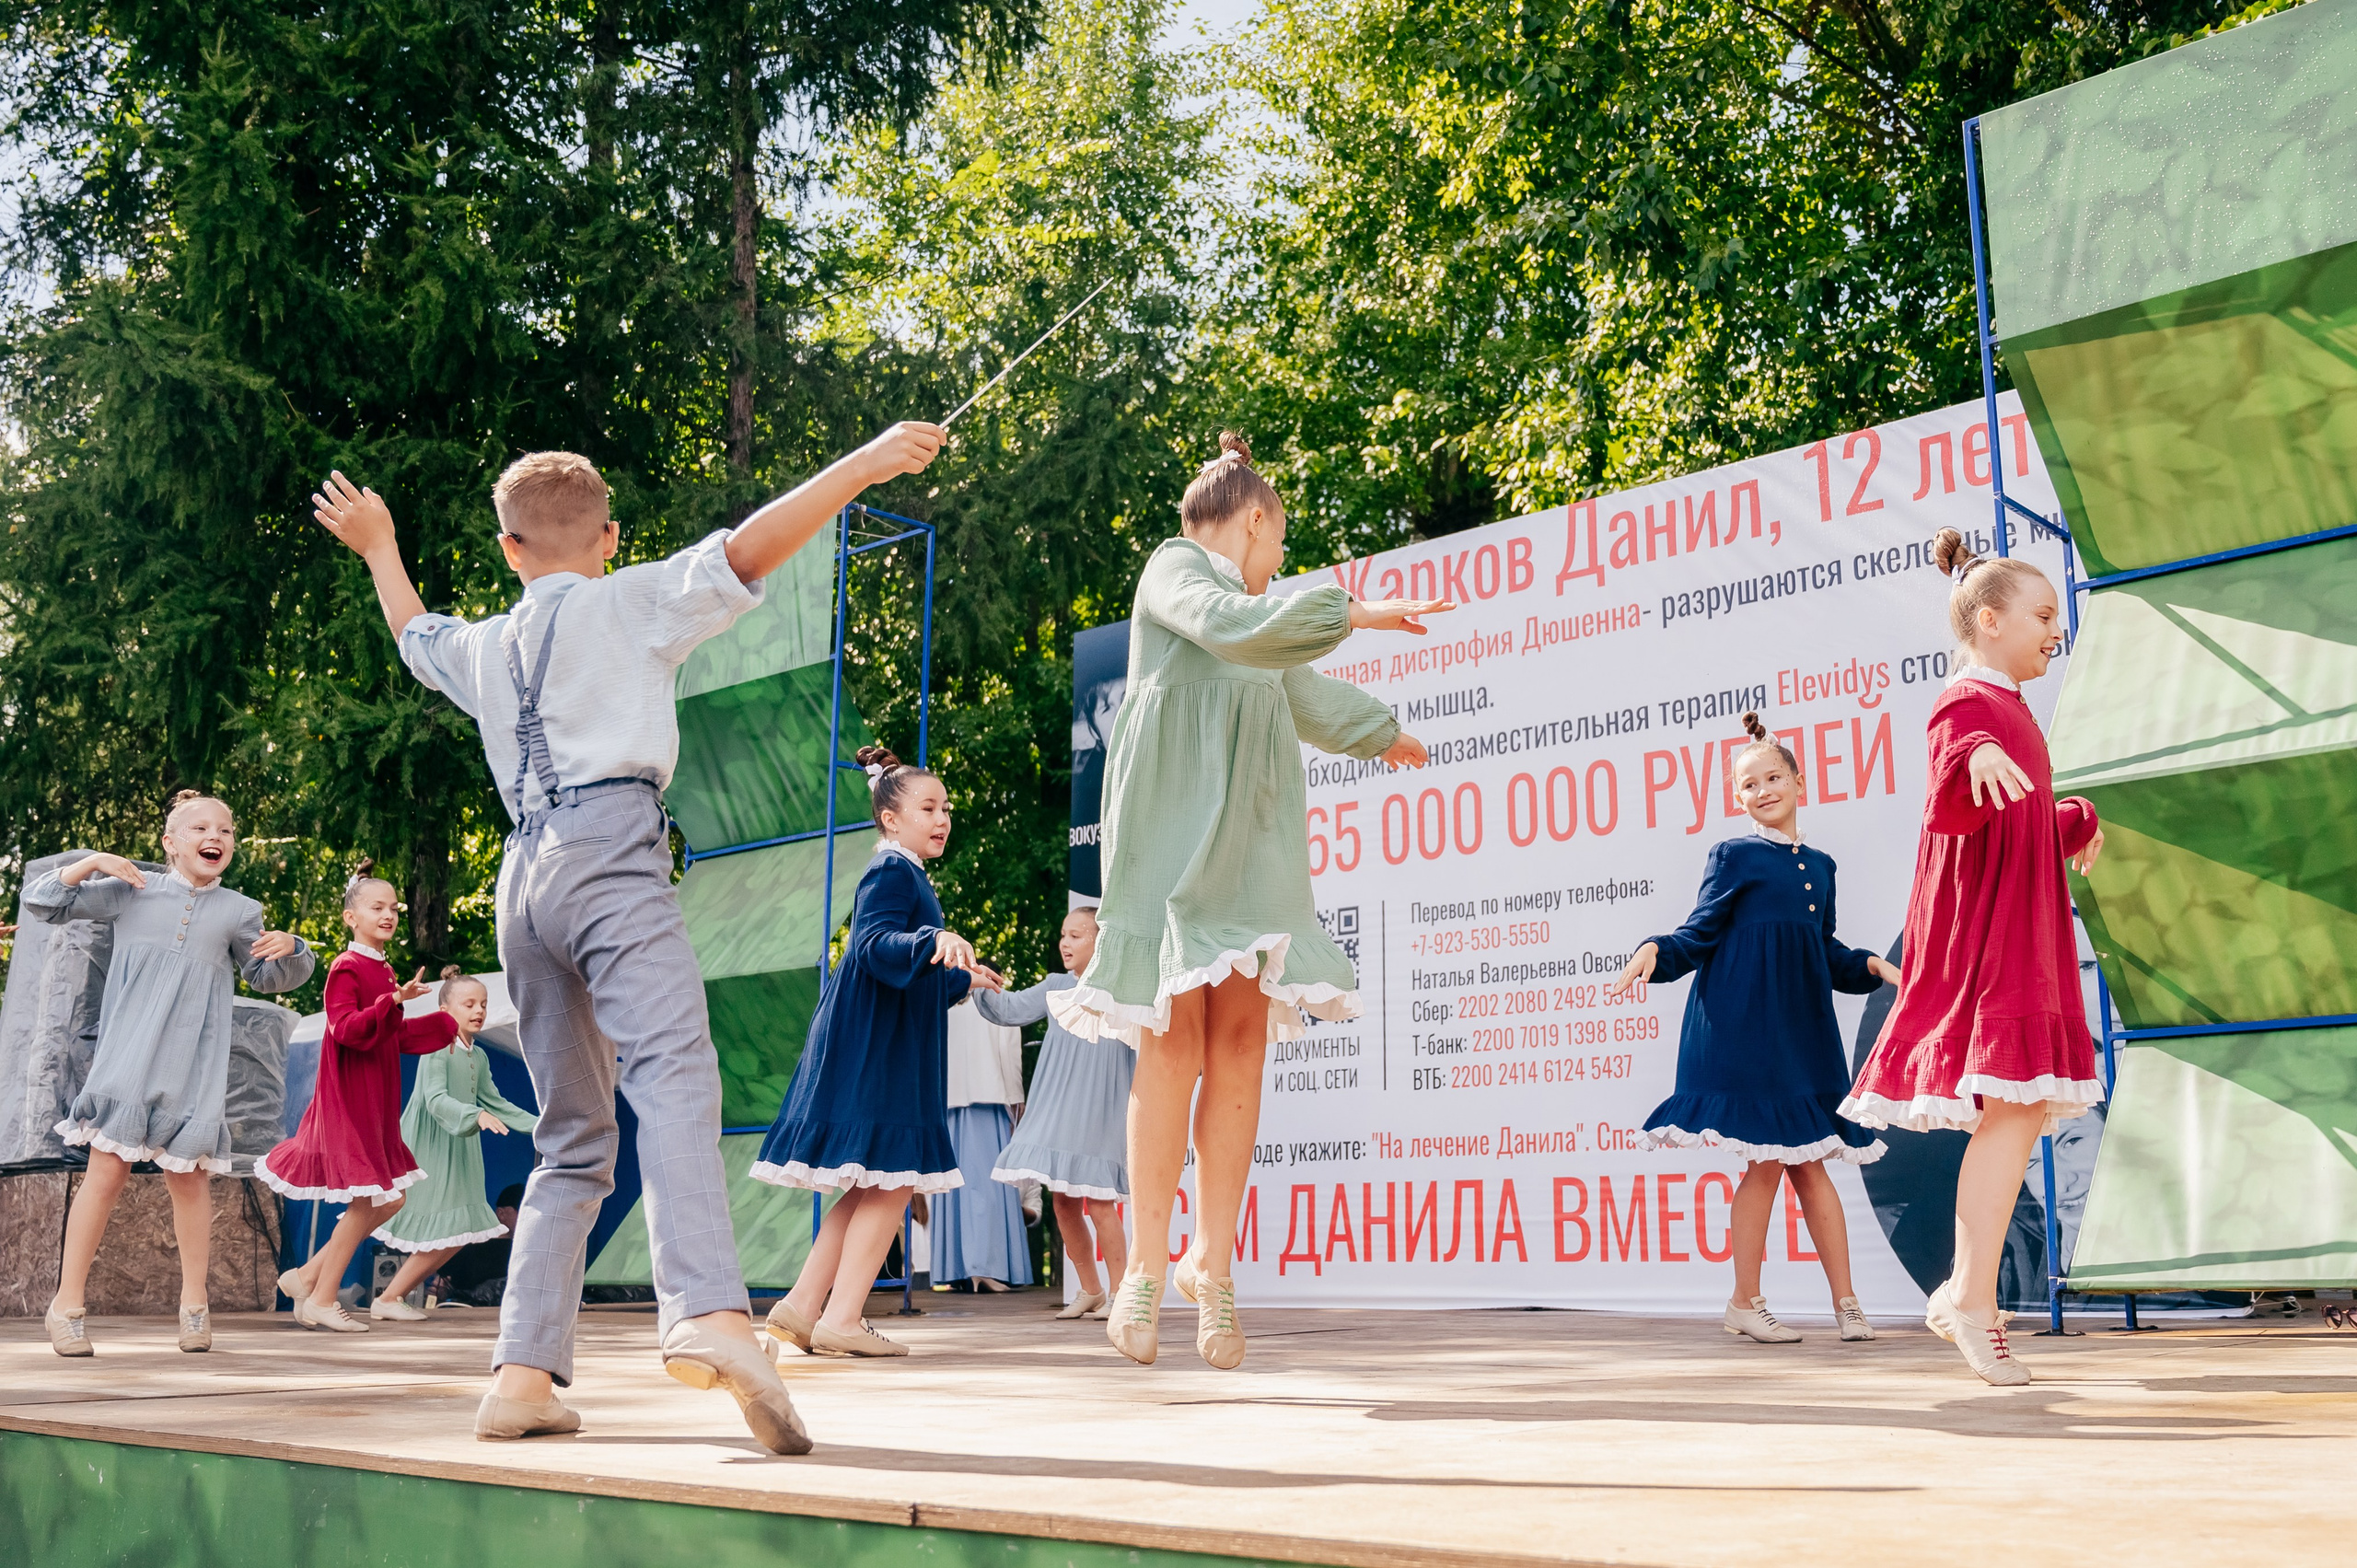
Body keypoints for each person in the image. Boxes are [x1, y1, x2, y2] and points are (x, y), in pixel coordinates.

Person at [312, 424, 944, 1450]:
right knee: (676, 1073)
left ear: (509, 550)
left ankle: (521, 1374)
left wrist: (379, 544)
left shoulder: (483, 642)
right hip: (611, 853)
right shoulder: (630, 596)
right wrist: (865, 463)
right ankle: (708, 1309)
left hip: (523, 881)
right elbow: (748, 547)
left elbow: (413, 632)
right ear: (607, 537)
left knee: (572, 1137)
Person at [1050, 432, 1449, 1369]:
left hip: (1253, 846)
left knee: (1238, 1043)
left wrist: (1382, 732)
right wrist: (1361, 609)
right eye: (1278, 541)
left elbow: (1297, 687)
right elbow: (1238, 631)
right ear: (1256, 519)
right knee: (1174, 1039)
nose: (1278, 561)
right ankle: (1147, 1262)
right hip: (1176, 840)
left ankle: (1212, 1265)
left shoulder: (1259, 611)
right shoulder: (1174, 571)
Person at [1840, 528, 2104, 1386]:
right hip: (1996, 951)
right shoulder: (1970, 703)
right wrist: (1978, 754)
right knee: (2012, 1115)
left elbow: (2012, 822)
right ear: (1989, 620)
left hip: (2024, 941)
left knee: (2018, 1115)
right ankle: (1971, 1297)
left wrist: (2070, 819)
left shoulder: (2016, 712)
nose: (2052, 628)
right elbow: (1955, 756)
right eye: (2040, 613)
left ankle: (1968, 1292)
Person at [1608, 714, 1900, 1344]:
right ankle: (1745, 1300)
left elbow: (1823, 953)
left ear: (1800, 782)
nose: (1763, 789)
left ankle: (1846, 1303)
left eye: (1774, 777)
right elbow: (1697, 931)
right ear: (1738, 798)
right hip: (1746, 1028)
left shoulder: (1821, 866)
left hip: (1802, 1033)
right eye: (1749, 784)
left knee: (1812, 1167)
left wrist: (1873, 965)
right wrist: (1654, 950)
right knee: (1768, 1164)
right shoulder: (1733, 855)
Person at [34, 791, 315, 1357]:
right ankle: (65, 1305)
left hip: (194, 1062)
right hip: (128, 1057)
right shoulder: (130, 889)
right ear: (170, 843)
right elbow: (45, 904)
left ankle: (194, 1306)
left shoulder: (241, 909)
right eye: (200, 828)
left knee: (188, 1181)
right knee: (106, 1174)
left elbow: (267, 977)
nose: (215, 837)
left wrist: (295, 947)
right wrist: (91, 862)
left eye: (227, 831)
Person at [752, 746, 1001, 1357]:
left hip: (881, 1047)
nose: (942, 817)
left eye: (946, 807)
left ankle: (804, 1306)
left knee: (871, 1185)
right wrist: (932, 937)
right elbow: (872, 946)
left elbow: (901, 973)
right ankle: (841, 1318)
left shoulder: (904, 871)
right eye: (928, 806)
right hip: (879, 1056)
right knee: (891, 1183)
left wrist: (959, 976)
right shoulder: (893, 872)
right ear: (891, 817)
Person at [259, 866, 462, 1331]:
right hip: (350, 1097)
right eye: (378, 907)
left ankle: (307, 1277)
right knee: (375, 1199)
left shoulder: (385, 970)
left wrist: (446, 1023)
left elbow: (391, 1037)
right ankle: (322, 1298)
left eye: (394, 908)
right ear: (351, 917)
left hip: (377, 1099)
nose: (389, 914)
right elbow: (347, 1029)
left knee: (390, 1201)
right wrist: (391, 1002)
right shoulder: (346, 967)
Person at [980, 906, 1131, 1318]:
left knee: (1100, 1202)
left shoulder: (1125, 992)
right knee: (1063, 1202)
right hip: (1058, 1108)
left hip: (1100, 1111)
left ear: (1102, 942)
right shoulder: (1057, 986)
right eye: (1064, 935)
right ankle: (1091, 1290)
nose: (1065, 943)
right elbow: (1008, 1010)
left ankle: (1123, 1296)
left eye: (1077, 935)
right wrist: (976, 980)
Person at [372, 968, 540, 1318]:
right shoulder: (436, 1047)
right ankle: (318, 1281)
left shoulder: (478, 1055)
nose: (479, 1011)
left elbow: (495, 1102)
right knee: (378, 1214)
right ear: (446, 1011)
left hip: (459, 1148)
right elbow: (434, 1099)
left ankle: (388, 1298)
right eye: (469, 1004)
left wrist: (542, 1126)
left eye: (483, 1004)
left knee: (461, 1230)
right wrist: (474, 1116)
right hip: (427, 1146)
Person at [931, 995, 1032, 1293]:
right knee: (988, 1186)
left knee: (955, 1187)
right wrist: (1017, 1100)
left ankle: (956, 1267)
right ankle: (985, 1267)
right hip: (989, 1099)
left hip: (949, 1103)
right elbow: (1009, 1054)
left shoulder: (945, 1005)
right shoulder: (998, 1003)